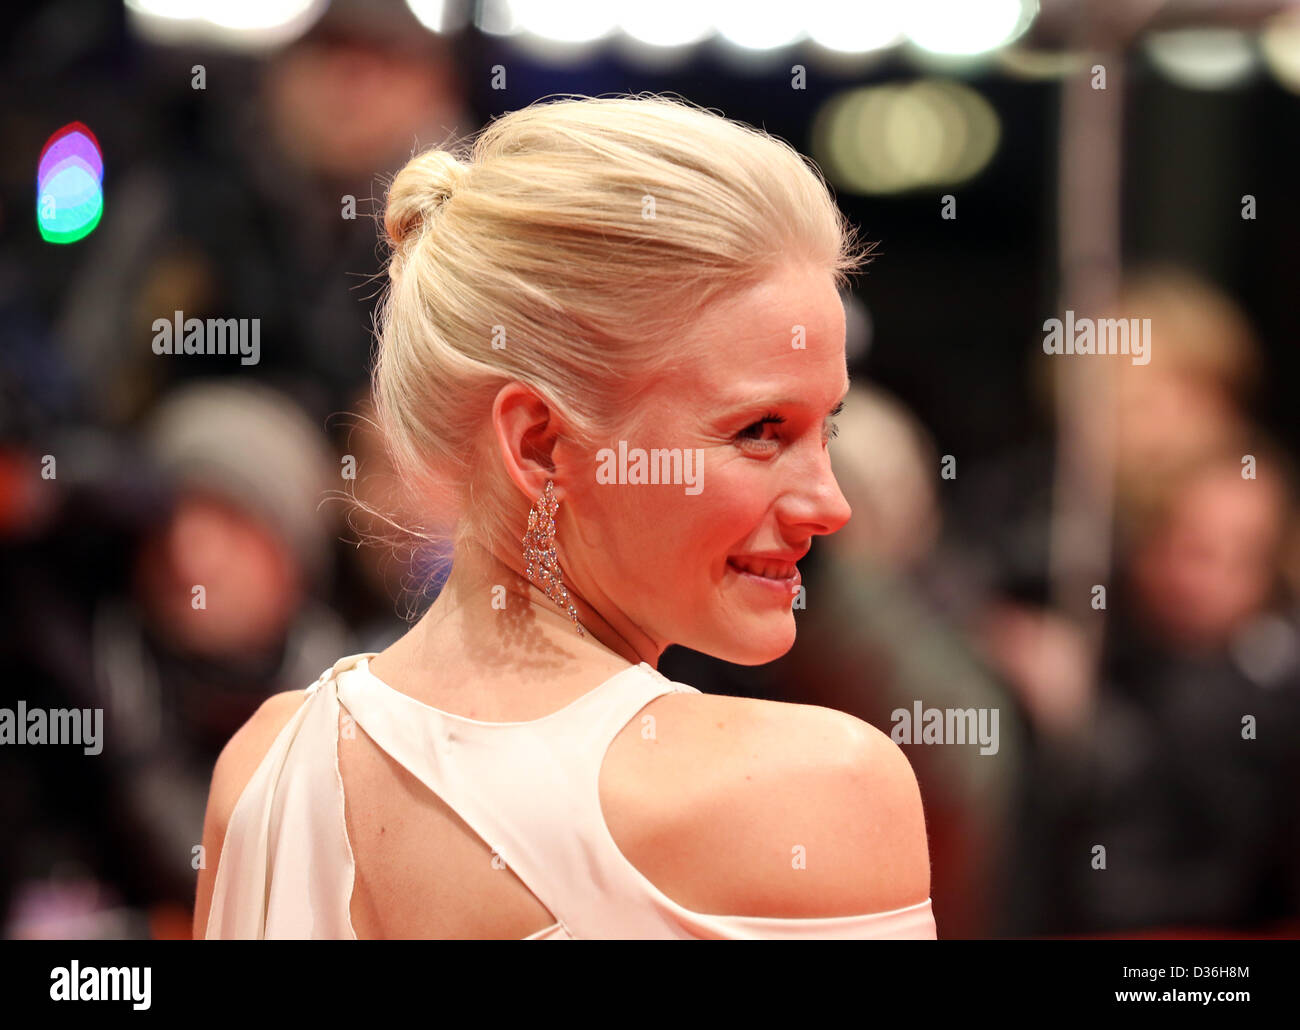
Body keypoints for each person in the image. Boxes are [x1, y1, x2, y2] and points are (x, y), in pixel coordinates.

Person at [194, 94, 937, 940]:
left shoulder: (258, 776)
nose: (831, 505)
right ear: (541, 444)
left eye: (825, 429)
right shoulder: (820, 789)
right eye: (761, 432)